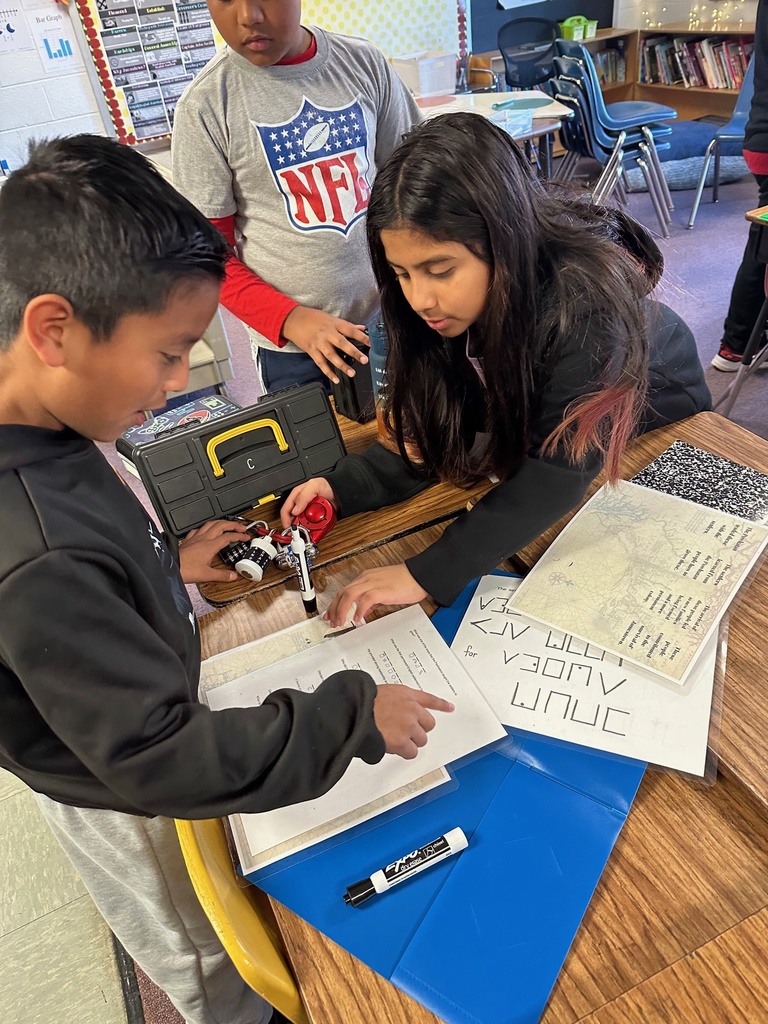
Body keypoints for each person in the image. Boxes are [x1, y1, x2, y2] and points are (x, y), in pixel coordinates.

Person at [0, 134, 453, 1024]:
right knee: (209, 953)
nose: (175, 386)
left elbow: (91, 552)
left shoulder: (47, 419)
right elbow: (156, 760)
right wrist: (351, 715)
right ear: (54, 329)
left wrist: (165, 560)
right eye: (168, 354)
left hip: (129, 701)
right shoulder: (41, 554)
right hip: (126, 790)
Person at [280, 113, 712, 627]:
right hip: (547, 420)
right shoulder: (444, 313)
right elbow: (442, 432)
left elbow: (559, 470)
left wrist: (428, 572)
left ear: (504, 242)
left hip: (658, 423)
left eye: (440, 271)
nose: (419, 298)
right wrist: (346, 487)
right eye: (401, 274)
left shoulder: (587, 306)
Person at [171, 0, 421, 394]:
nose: (248, 17)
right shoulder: (205, 106)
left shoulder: (364, 64)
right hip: (293, 351)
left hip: (392, 316)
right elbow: (206, 255)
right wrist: (290, 319)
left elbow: (413, 182)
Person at [712, 0, 768, 371]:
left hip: (760, 135)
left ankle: (738, 343)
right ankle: (736, 345)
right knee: (763, 240)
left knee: (762, 240)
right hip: (765, 139)